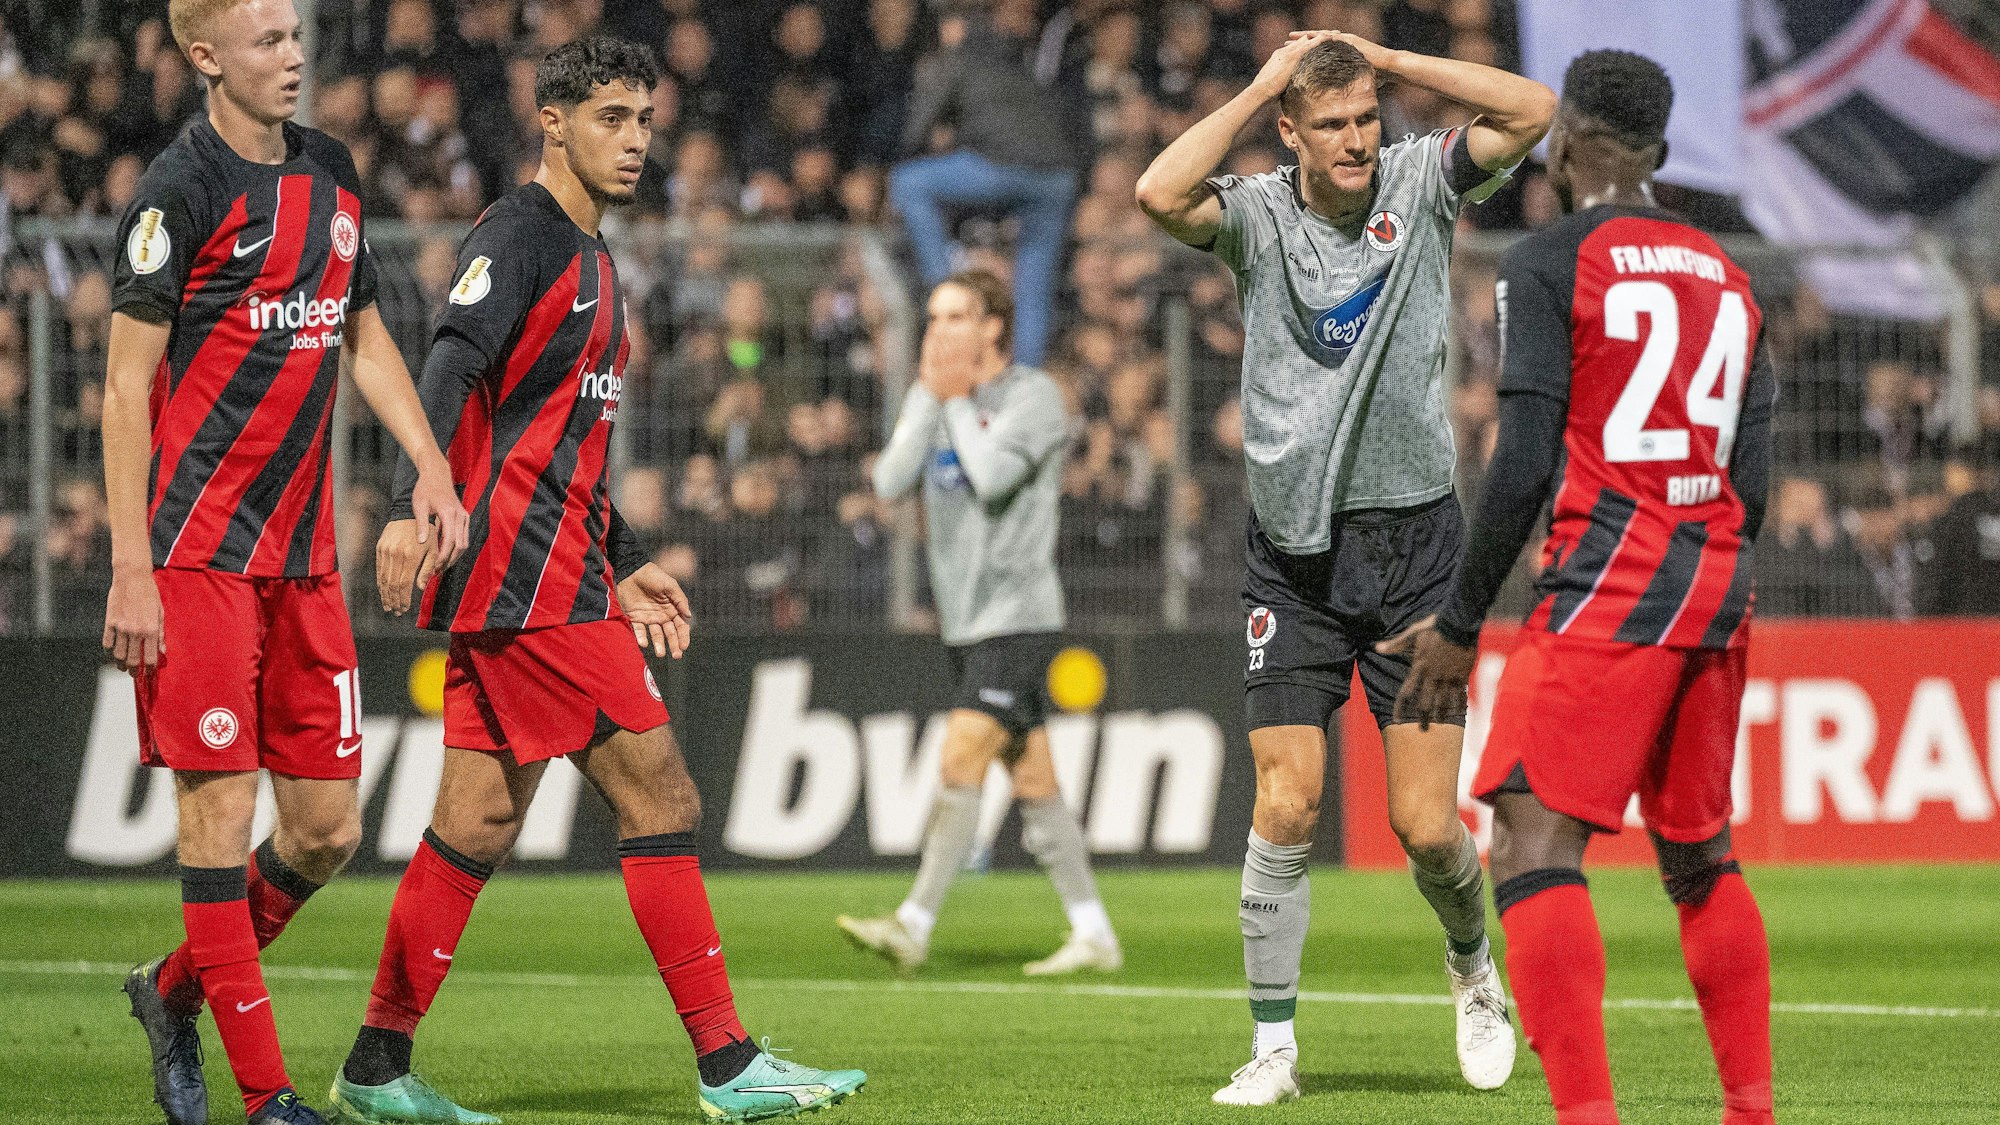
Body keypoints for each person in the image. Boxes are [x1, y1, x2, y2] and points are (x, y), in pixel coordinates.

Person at [328, 38, 865, 1125]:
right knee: (660, 793)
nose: (634, 141)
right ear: (554, 122)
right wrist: (404, 503)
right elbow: (445, 366)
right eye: (612, 118)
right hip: (528, 581)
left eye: (644, 121)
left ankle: (373, 1065)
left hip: (559, 571)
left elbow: (557, 441)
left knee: (475, 820)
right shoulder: (518, 237)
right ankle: (727, 1063)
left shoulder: (598, 258)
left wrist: (624, 559)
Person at [1135, 29, 1554, 1106]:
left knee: (1425, 829)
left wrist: (1387, 57)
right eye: (1332, 123)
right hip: (1293, 558)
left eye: (1366, 117)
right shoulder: (1258, 216)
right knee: (1285, 803)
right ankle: (1273, 1046)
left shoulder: (1418, 182)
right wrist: (1265, 81)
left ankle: (1471, 970)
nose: (1358, 138)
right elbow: (1154, 190)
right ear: (1292, 132)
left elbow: (1528, 107)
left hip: (1416, 555)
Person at [1382, 50, 1779, 1125]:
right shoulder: (1726, 273)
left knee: (1525, 836)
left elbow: (1519, 462)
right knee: (1696, 852)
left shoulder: (1550, 258)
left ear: (1572, 145)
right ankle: (1751, 1112)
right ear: (1652, 153)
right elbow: (1750, 471)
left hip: (1611, 577)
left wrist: (1460, 624)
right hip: (1715, 582)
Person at [106, 2, 470, 1123]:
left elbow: (359, 333)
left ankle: (171, 992)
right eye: (266, 40)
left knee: (325, 831)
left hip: (305, 556)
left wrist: (430, 462)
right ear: (204, 57)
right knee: (215, 824)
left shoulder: (334, 170)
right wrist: (131, 567)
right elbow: (124, 389)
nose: (294, 55)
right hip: (197, 554)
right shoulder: (179, 191)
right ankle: (267, 1099)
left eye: (296, 34)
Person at [836, 269, 1120, 976]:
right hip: (964, 620)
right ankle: (1093, 931)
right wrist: (932, 399)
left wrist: (952, 400)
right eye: (933, 317)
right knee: (1034, 778)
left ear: (993, 325)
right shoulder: (936, 393)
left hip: (1018, 617)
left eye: (956, 316)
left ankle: (914, 921)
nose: (939, 331)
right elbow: (890, 480)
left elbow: (992, 477)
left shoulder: (1034, 398)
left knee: (960, 756)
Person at [889, 5, 1088, 369]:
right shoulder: (1018, 58)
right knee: (1033, 291)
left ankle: (946, 293)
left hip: (1003, 167)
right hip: (1058, 178)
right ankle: (1025, 379)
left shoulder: (957, 57)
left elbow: (914, 133)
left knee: (908, 181)